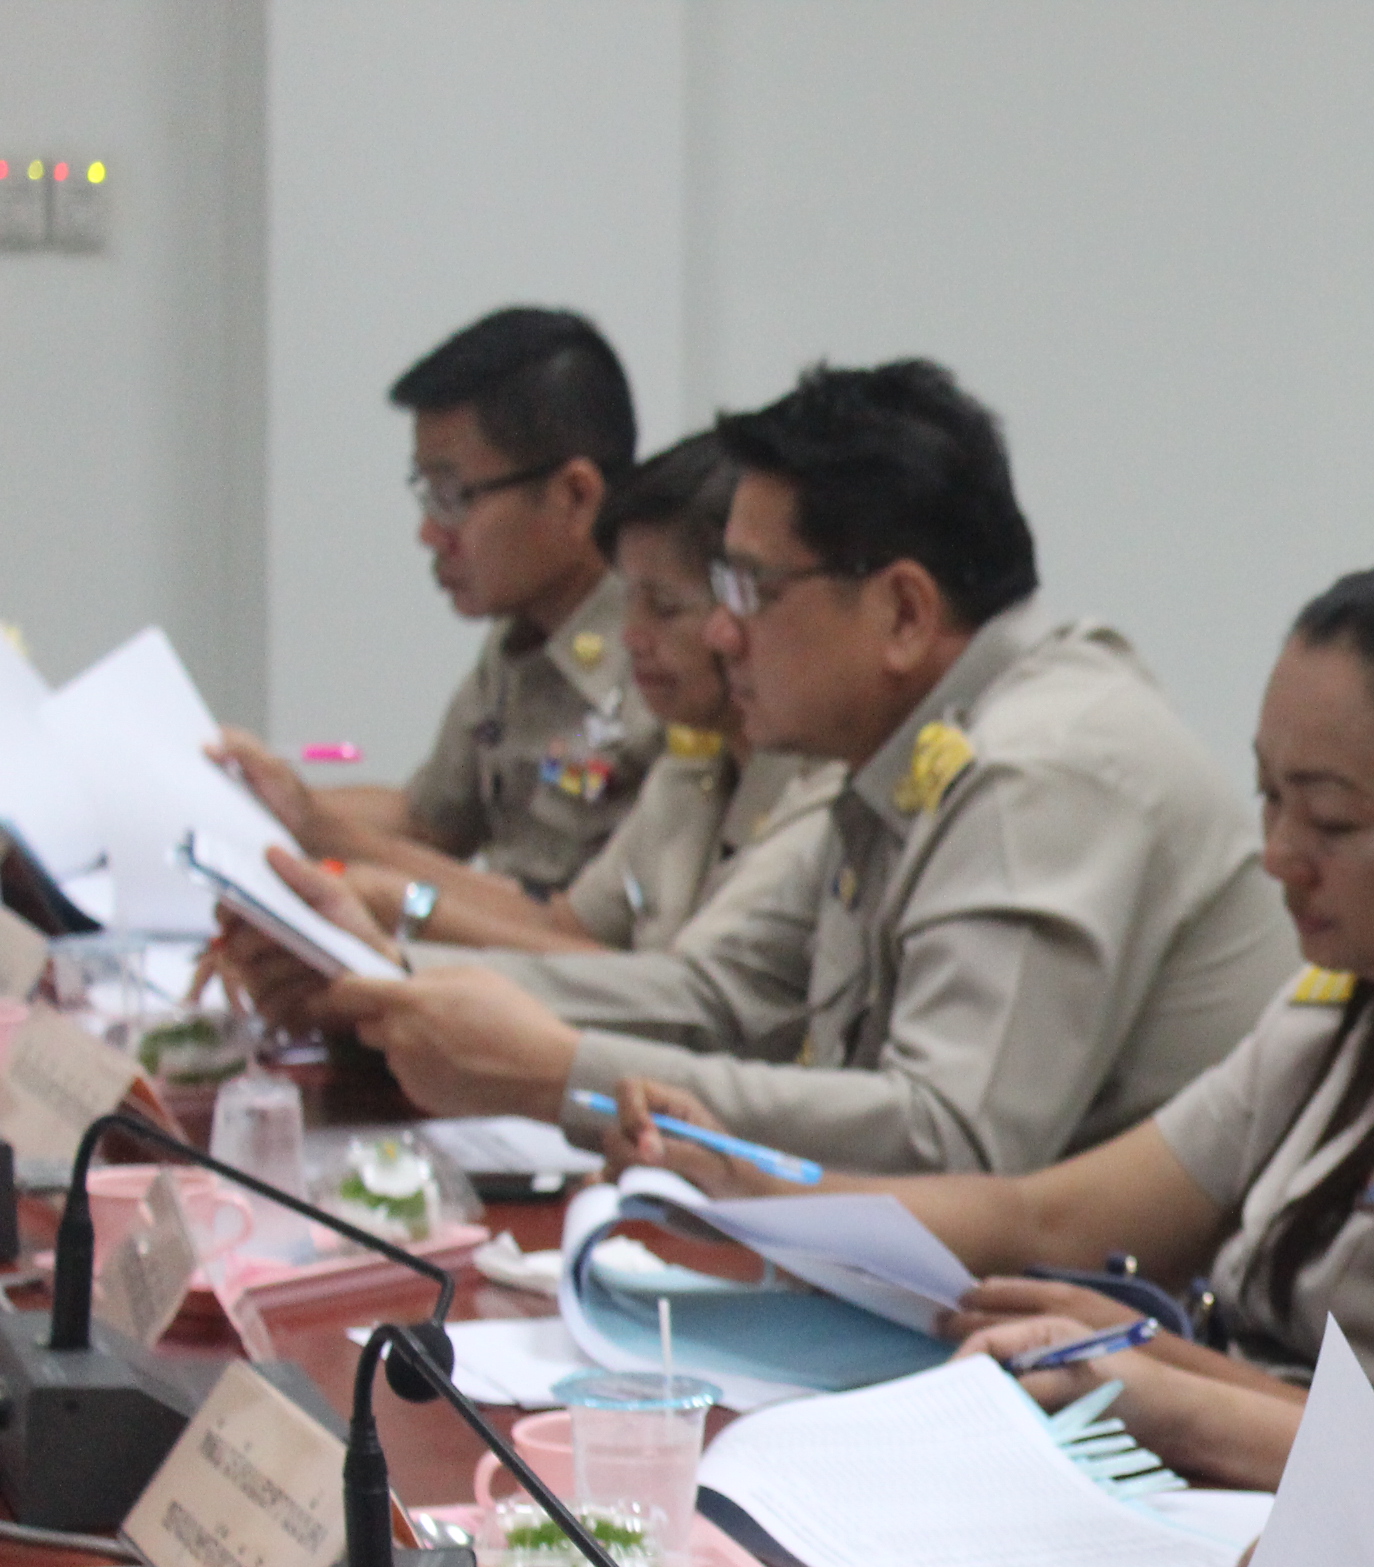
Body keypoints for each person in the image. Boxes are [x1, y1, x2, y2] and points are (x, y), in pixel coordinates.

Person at [617, 551, 1374, 1494]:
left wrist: (1160, 1378)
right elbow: (1053, 1215)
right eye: (1269, 797)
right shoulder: (1337, 1007)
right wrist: (761, 1192)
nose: (1278, 856)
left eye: (1330, 821)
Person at [234, 358, 1293, 1175]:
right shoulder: (909, 740)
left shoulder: (1042, 769)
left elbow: (951, 1142)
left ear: (903, 611)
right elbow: (719, 997)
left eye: (746, 592)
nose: (721, 637)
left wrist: (566, 1077)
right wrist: (386, 983)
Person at [219, 433, 837, 959]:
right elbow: (559, 925)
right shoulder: (694, 764)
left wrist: (395, 922)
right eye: (629, 602)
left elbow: (677, 998)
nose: (632, 637)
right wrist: (357, 877)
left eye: (667, 608)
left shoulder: (816, 789)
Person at [220, 306, 657, 894]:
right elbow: (428, 824)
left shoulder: (658, 667)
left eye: (454, 496)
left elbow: (570, 933)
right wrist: (248, 797)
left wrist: (316, 827)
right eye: (427, 494)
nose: (430, 534)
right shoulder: (519, 640)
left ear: (574, 498)